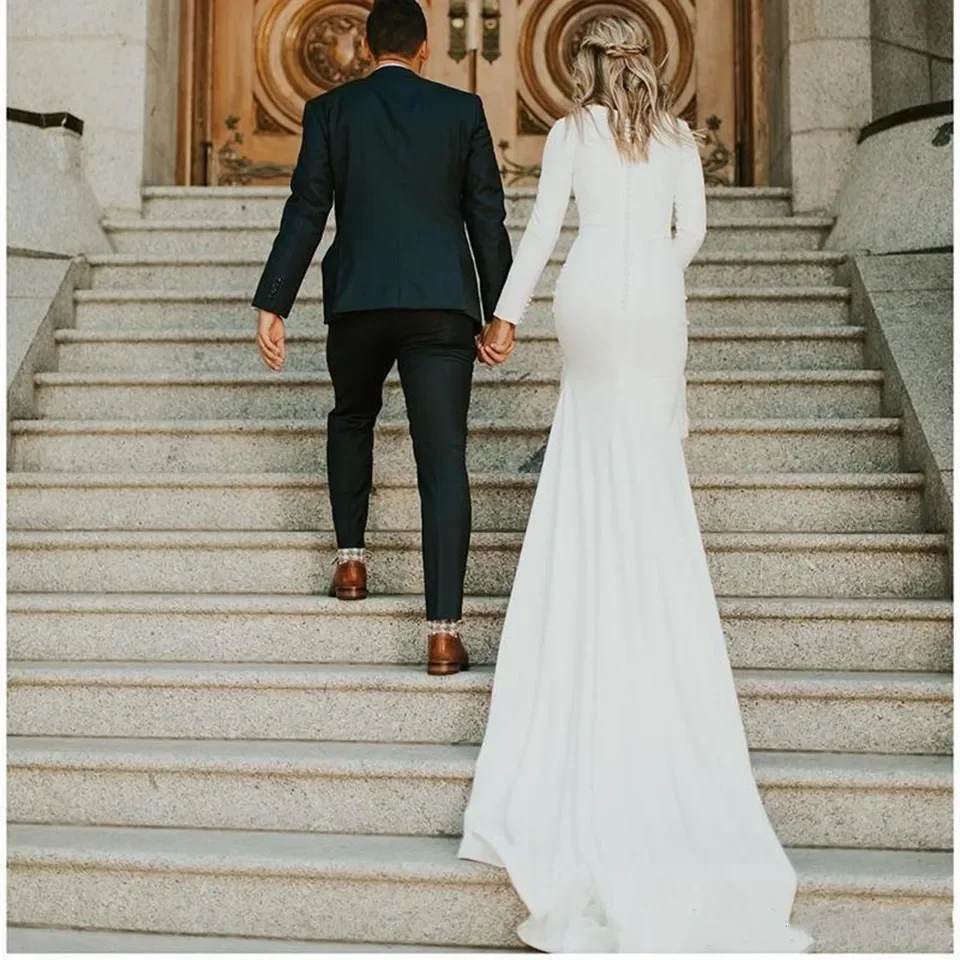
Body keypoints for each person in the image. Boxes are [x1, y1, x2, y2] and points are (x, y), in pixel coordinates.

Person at [459, 15, 812, 953]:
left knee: (588, 448)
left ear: (584, 65)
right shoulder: (680, 137)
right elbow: (691, 230)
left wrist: (505, 318)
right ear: (646, 64)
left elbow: (537, 233)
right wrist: (654, 272)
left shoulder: (572, 133)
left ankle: (591, 593)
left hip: (585, 303)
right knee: (648, 458)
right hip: (654, 306)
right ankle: (645, 594)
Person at [251, 0, 514, 674]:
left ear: (367, 48)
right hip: (440, 305)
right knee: (442, 457)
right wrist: (501, 309)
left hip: (361, 298)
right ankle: (444, 634)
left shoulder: (331, 113)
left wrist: (274, 301)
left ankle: (350, 563)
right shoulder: (463, 113)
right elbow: (486, 214)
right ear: (427, 50)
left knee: (351, 416)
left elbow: (308, 207)